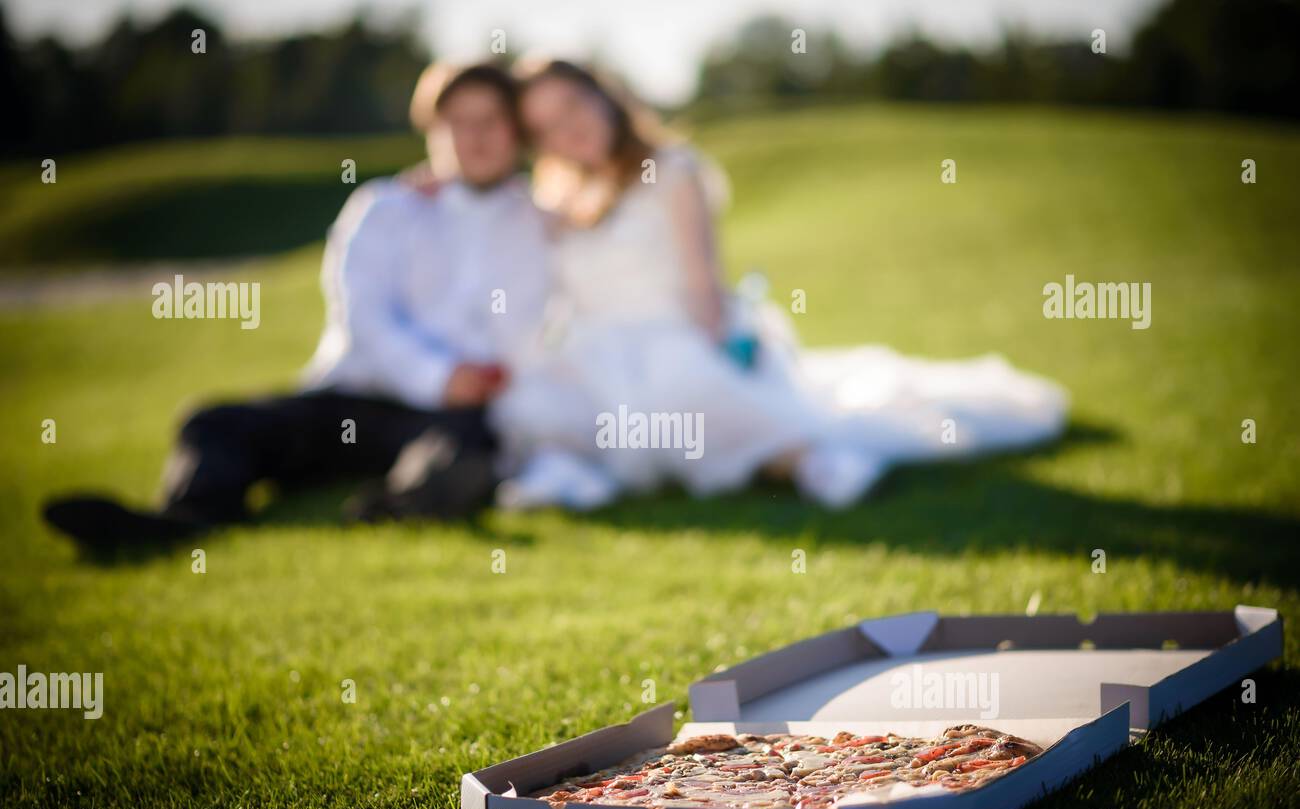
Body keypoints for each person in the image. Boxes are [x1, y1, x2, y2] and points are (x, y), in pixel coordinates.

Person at [491, 60, 1069, 510]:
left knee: (683, 387)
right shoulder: (553, 200)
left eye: (571, 105)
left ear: (602, 94)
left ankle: (804, 459)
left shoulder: (671, 170)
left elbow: (702, 279)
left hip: (680, 331)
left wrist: (721, 348)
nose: (567, 130)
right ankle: (574, 469)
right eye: (545, 127)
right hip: (598, 349)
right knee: (530, 400)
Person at [44, 62, 549, 550]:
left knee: (463, 449)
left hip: (447, 419)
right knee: (213, 421)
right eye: (456, 122)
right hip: (348, 399)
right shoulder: (384, 207)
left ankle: (400, 507)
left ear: (515, 132)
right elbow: (364, 318)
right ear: (431, 133)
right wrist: (441, 376)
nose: (474, 137)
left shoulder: (537, 221)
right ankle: (185, 519)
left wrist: (463, 387)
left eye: (489, 121)